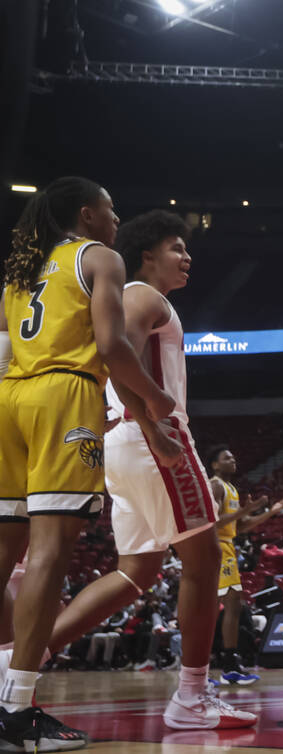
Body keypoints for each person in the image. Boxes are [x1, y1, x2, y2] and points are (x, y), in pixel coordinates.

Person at [0, 209, 258, 736]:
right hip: (150, 436)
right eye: (175, 247)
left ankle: (16, 664)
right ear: (147, 254)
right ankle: (191, 694)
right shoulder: (143, 295)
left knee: (133, 574)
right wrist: (157, 428)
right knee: (205, 561)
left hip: (121, 441)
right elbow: (119, 361)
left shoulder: (133, 296)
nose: (186, 257)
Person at [0, 179, 179, 749]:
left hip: (8, 400)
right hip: (63, 395)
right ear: (86, 215)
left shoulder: (21, 270)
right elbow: (111, 345)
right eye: (110, 208)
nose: (115, 218)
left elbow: (2, 354)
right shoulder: (97, 256)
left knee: (3, 552)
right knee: (49, 552)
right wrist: (153, 399)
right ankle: (16, 707)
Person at [208, 446, 283, 685]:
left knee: (233, 605)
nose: (233, 459)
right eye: (226, 457)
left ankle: (228, 664)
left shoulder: (232, 488)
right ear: (214, 465)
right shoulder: (215, 486)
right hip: (215, 546)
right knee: (227, 605)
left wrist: (270, 512)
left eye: (233, 456)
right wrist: (245, 510)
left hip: (227, 546)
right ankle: (217, 665)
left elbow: (240, 526)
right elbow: (209, 522)